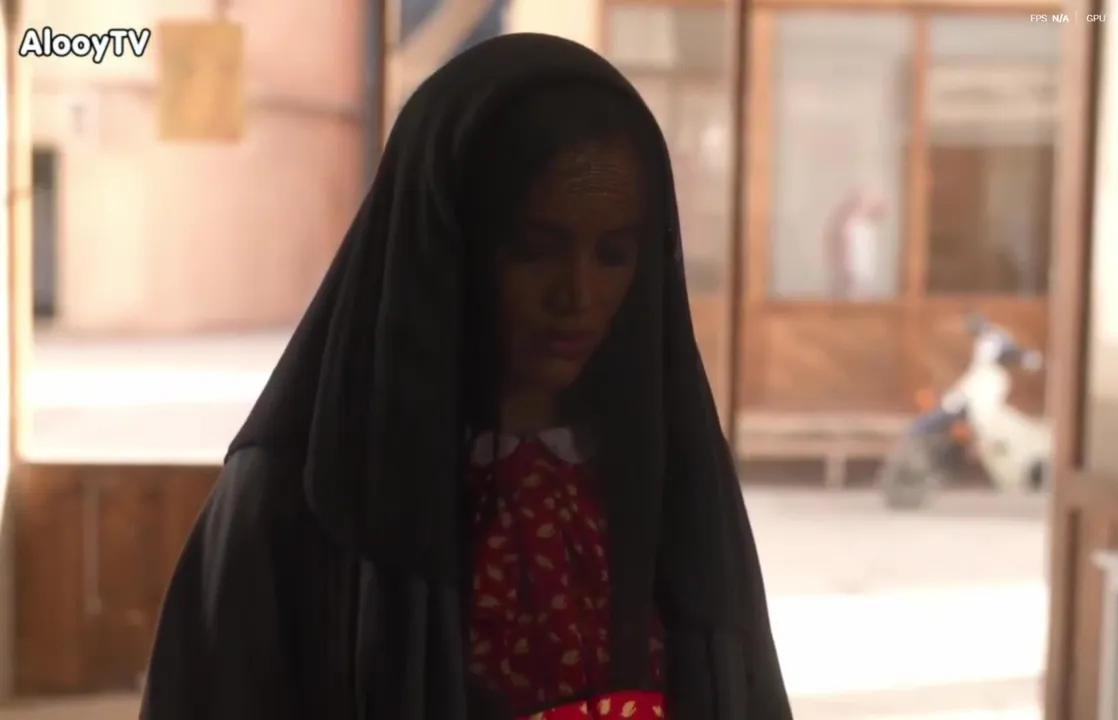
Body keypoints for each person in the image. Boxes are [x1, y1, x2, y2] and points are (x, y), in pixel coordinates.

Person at [140, 33, 791, 720]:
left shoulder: (664, 474)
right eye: (534, 250)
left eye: (612, 254)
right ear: (445, 242)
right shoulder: (302, 495)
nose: (576, 294)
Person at [825, 190, 886, 298]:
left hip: (863, 274)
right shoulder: (850, 225)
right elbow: (844, 250)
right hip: (851, 274)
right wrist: (845, 270)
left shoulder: (867, 226)